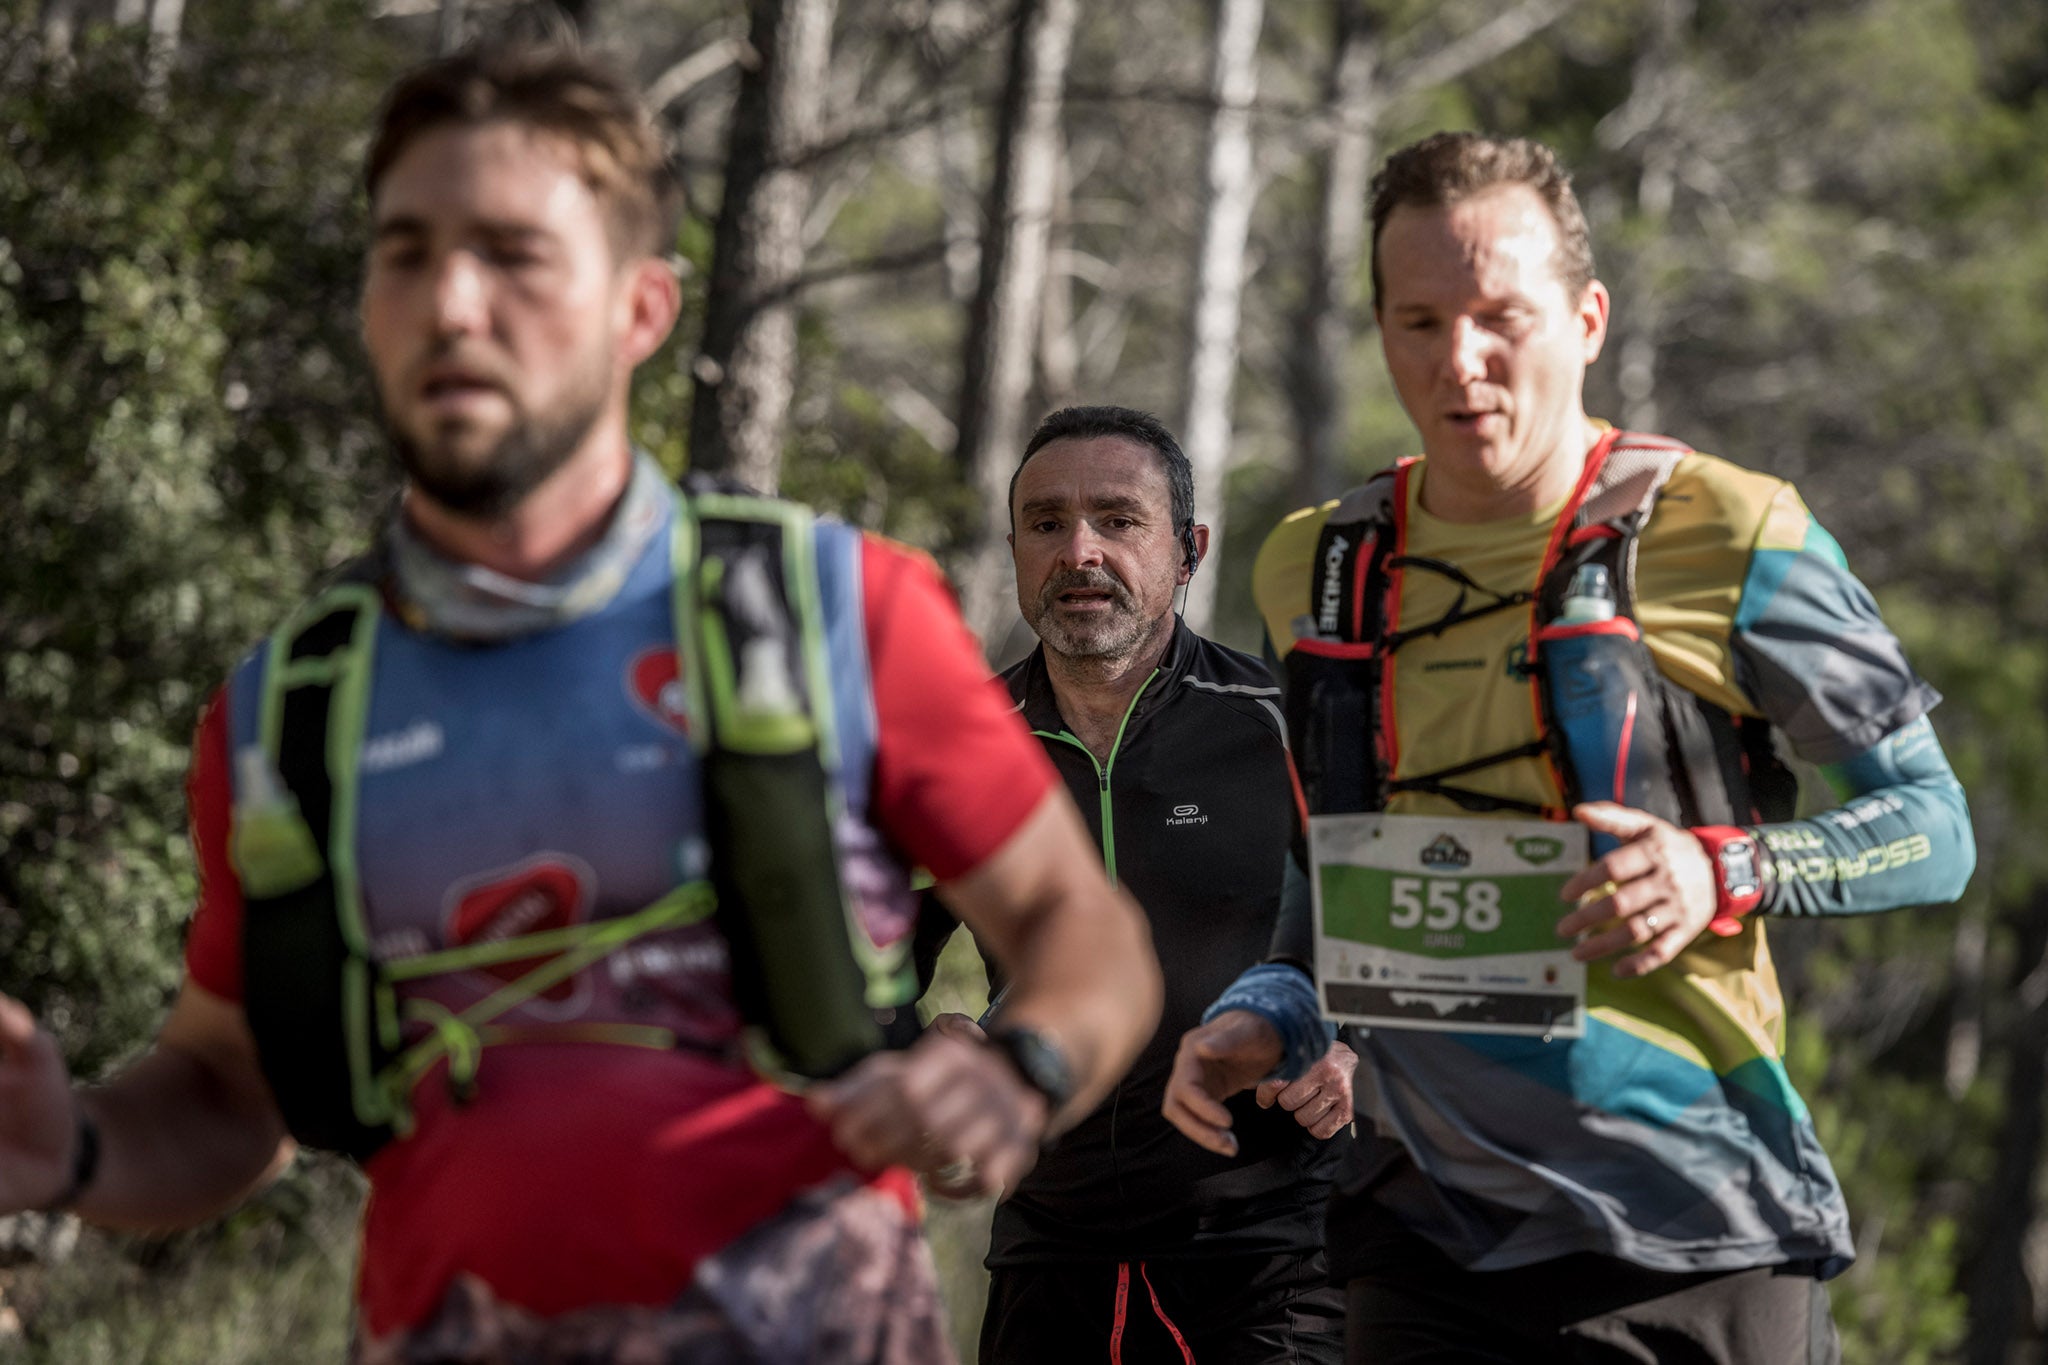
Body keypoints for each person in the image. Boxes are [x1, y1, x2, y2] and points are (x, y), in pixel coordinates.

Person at [0, 41, 1162, 1364]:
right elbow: (224, 1090)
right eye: (406, 252)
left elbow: (1089, 939)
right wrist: (75, 1143)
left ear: (642, 310)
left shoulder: (836, 613)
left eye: (513, 255)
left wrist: (1021, 1065)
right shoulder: (295, 708)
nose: (451, 303)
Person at [1162, 131, 1975, 1365]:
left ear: (1587, 318)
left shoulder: (1730, 529)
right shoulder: (1318, 567)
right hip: (1420, 1237)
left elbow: (1936, 826)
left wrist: (1721, 870)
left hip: (1701, 1230)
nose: (1461, 363)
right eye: (1419, 321)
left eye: (1501, 316)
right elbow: (1320, 875)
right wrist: (1267, 1008)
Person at [915, 405, 1354, 1364]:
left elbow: (1415, 951)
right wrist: (917, 1047)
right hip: (1046, 1258)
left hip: (1273, 1262)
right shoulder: (954, 749)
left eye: (1118, 520)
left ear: (1188, 548)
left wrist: (1354, 1047)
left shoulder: (1285, 730)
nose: (1080, 551)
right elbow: (852, 968)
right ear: (1015, 549)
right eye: (1046, 523)